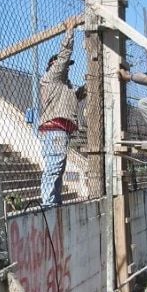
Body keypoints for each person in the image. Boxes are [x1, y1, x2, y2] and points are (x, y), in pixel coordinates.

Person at [38, 18, 86, 207]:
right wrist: (70, 31)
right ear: (54, 66)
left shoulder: (64, 86)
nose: (67, 68)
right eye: (63, 65)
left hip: (60, 131)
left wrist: (92, 80)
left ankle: (53, 202)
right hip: (54, 130)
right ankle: (48, 204)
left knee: (58, 168)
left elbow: (78, 94)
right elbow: (64, 57)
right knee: (54, 167)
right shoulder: (52, 78)